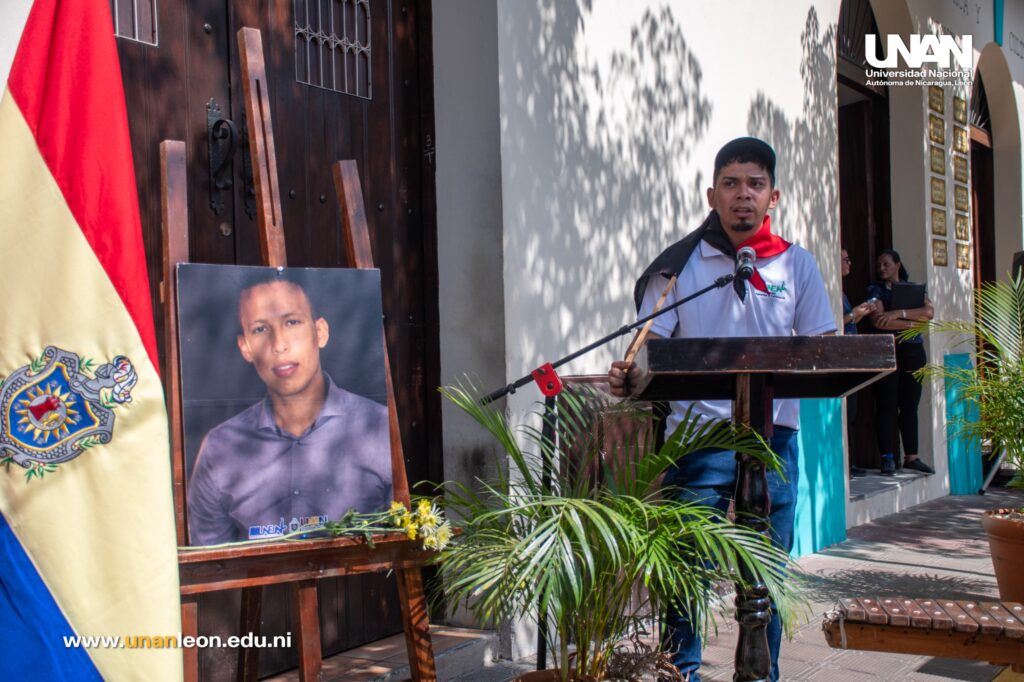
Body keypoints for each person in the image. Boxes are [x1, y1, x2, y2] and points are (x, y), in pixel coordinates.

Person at [608, 137, 836, 682]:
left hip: (773, 440)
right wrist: (631, 375)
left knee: (766, 570)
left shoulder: (796, 265)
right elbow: (649, 348)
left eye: (754, 185)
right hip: (699, 438)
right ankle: (678, 672)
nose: (742, 196)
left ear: (772, 196)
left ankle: (764, 674)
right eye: (731, 184)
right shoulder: (680, 269)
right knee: (686, 566)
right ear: (712, 194)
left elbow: (825, 349)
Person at [187, 274, 392, 545]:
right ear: (245, 347)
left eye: (292, 322)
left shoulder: (379, 428)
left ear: (320, 332)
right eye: (260, 329)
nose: (279, 345)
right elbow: (211, 565)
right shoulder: (221, 447)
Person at [866, 249, 935, 476]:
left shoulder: (912, 288)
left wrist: (897, 314)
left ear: (898, 264)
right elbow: (880, 322)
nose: (882, 268)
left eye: (886, 264)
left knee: (910, 404)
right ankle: (887, 456)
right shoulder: (875, 291)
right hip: (889, 350)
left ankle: (911, 456)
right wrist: (913, 324)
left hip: (914, 351)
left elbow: (929, 312)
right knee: (886, 403)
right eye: (879, 265)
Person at [841, 248, 875, 477]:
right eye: (845, 259)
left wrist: (858, 315)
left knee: (852, 413)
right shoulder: (832, 291)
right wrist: (854, 315)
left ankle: (851, 462)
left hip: (853, 356)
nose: (849, 263)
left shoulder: (843, 292)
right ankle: (847, 463)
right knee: (847, 413)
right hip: (842, 358)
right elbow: (836, 322)